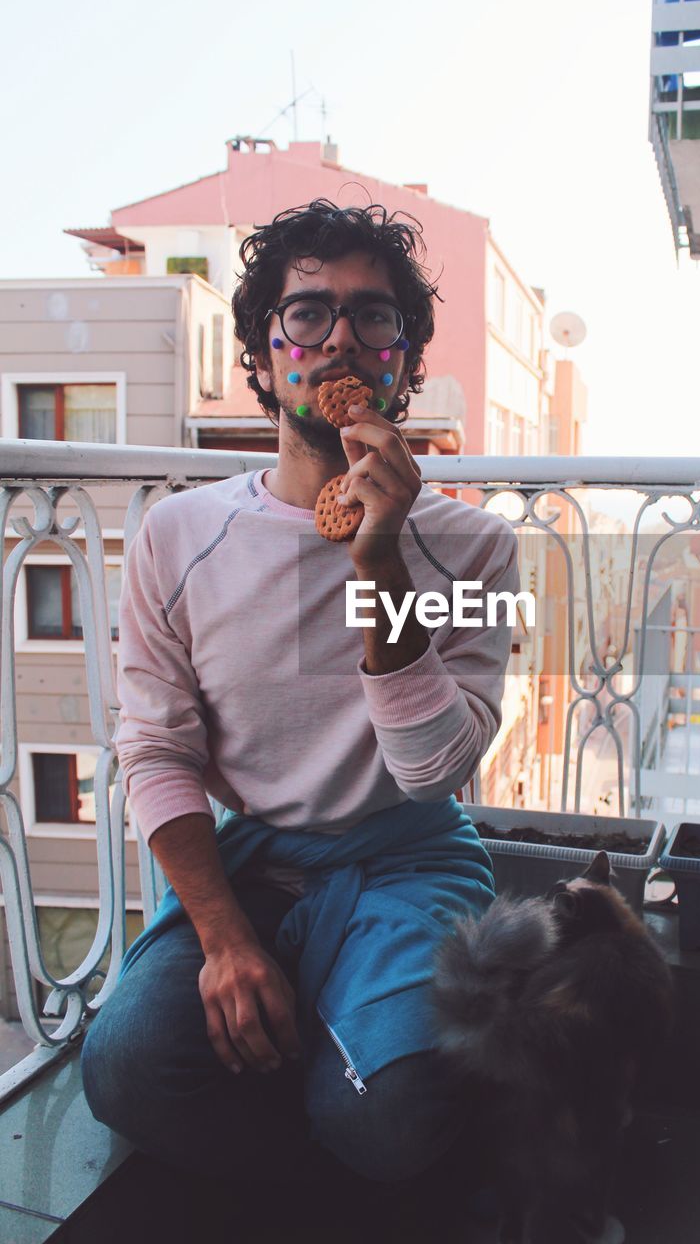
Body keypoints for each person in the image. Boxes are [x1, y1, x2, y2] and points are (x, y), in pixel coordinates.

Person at [81, 200, 520, 1231]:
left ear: (403, 359)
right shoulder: (176, 532)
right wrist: (225, 937)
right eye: (307, 312)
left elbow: (430, 770)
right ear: (261, 350)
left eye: (373, 319)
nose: (339, 343)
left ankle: (376, 1106)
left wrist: (379, 561)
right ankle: (345, 1142)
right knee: (128, 1071)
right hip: (247, 863)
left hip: (407, 853)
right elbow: (153, 746)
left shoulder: (483, 549)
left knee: (388, 1116)